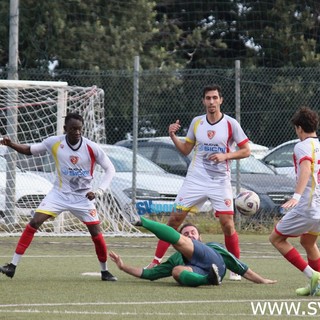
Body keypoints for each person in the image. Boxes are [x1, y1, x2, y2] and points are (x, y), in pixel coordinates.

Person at [146, 84, 251, 281]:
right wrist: (172, 136)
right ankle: (156, 260)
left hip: (220, 181)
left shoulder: (230, 124)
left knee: (227, 224)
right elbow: (186, 150)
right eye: (208, 98)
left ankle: (236, 267)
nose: (211, 102)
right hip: (195, 180)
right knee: (174, 220)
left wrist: (225, 155)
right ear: (203, 101)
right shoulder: (197, 123)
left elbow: (246, 150)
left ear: (220, 100)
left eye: (215, 98)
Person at [0, 113, 118, 281]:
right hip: (59, 194)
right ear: (65, 129)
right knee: (34, 221)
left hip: (83, 198)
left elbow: (110, 169)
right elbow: (29, 150)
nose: (77, 132)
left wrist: (98, 191)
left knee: (96, 233)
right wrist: (11, 144)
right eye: (73, 129)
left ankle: (105, 271)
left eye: (79, 129)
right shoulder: (54, 142)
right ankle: (12, 266)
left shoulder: (92, 147)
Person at [110, 216, 277, 286]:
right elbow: (150, 274)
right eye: (186, 233)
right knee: (176, 271)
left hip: (214, 263)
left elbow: (242, 268)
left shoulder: (213, 247)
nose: (190, 235)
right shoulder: (177, 258)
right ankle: (208, 279)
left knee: (180, 243)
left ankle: (141, 221)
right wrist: (123, 267)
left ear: (200, 237)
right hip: (202, 273)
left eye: (193, 233)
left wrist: (262, 280)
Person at [269, 106, 320, 296]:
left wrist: (296, 197)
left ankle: (312, 275)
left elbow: (306, 169)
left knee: (276, 238)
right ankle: (319, 284)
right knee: (308, 242)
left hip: (307, 206)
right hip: (319, 207)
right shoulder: (319, 145)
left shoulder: (302, 146)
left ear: (299, 128)